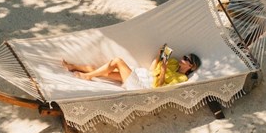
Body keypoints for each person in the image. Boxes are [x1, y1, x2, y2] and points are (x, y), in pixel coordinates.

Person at [62, 47, 201, 90]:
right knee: (104, 71)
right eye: (184, 56)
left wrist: (164, 69)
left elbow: (159, 88)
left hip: (144, 86)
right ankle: (73, 67)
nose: (183, 58)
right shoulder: (173, 62)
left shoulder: (182, 78)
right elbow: (152, 70)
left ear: (191, 66)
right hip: (143, 75)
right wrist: (159, 57)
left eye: (186, 59)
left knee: (117, 61)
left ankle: (88, 76)